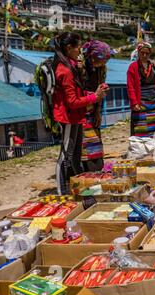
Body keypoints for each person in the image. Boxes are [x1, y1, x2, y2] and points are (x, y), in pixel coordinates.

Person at [52, 32, 108, 195]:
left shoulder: (71, 66)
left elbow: (78, 93)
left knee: (75, 156)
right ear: (69, 48)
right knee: (66, 156)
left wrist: (94, 95)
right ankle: (62, 190)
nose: (80, 50)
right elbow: (72, 101)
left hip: (77, 116)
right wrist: (93, 97)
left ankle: (78, 186)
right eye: (77, 47)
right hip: (68, 117)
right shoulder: (66, 70)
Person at [78, 40, 111, 172]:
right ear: (92, 56)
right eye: (102, 60)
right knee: (84, 145)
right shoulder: (79, 68)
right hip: (80, 110)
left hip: (92, 110)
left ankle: (97, 169)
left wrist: (97, 111)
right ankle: (85, 172)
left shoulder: (100, 69)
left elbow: (100, 90)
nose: (103, 63)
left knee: (95, 143)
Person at [126, 42, 155, 141]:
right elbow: (130, 87)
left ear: (149, 54)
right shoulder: (133, 67)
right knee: (141, 127)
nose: (144, 55)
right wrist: (134, 103)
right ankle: (142, 146)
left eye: (147, 53)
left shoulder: (152, 66)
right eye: (142, 53)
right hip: (141, 101)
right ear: (138, 53)